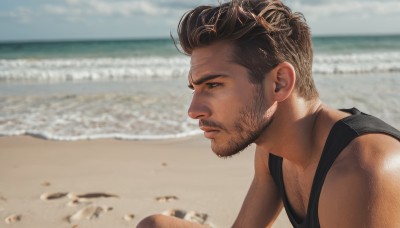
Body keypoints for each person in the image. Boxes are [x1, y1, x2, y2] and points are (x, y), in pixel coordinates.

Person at [137, 0, 400, 227]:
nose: (193, 111)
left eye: (213, 85)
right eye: (195, 89)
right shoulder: (273, 150)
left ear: (279, 83)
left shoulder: (364, 170)